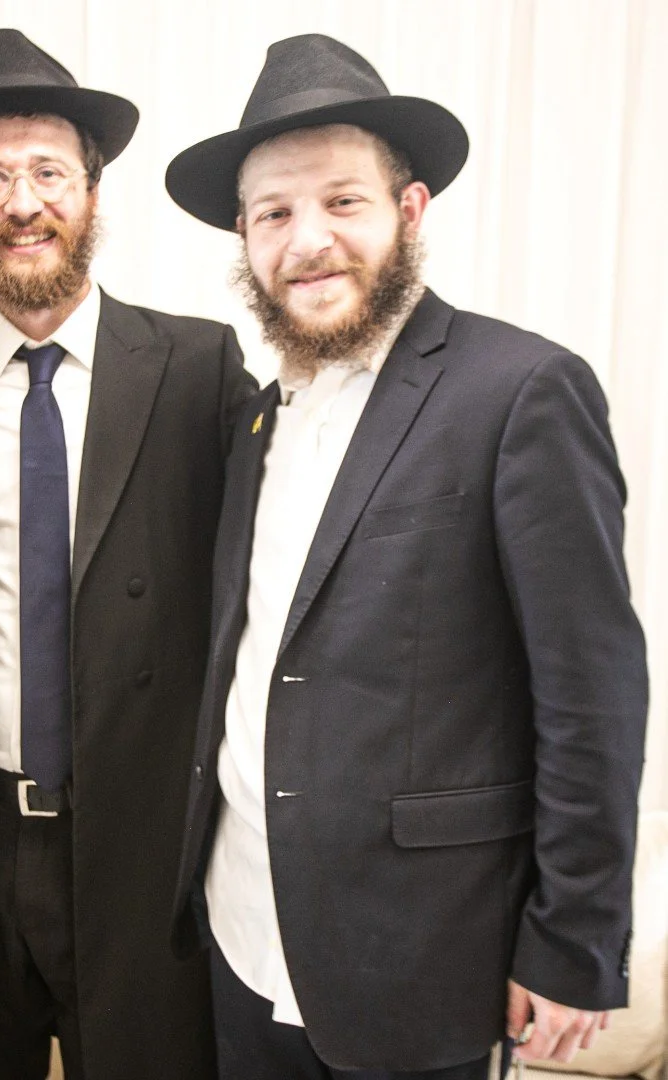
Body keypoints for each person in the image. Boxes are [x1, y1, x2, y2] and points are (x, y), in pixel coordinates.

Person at [165, 33, 648, 1080]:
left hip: (418, 954)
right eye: (273, 214)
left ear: (409, 210)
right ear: (244, 237)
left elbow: (590, 693)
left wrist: (571, 940)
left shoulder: (521, 390)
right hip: (238, 931)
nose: (308, 240)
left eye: (342, 201)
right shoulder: (256, 421)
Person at [0, 28, 257, 1080]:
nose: (21, 201)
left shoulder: (196, 365)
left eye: (47, 171)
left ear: (91, 192)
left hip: (136, 848)